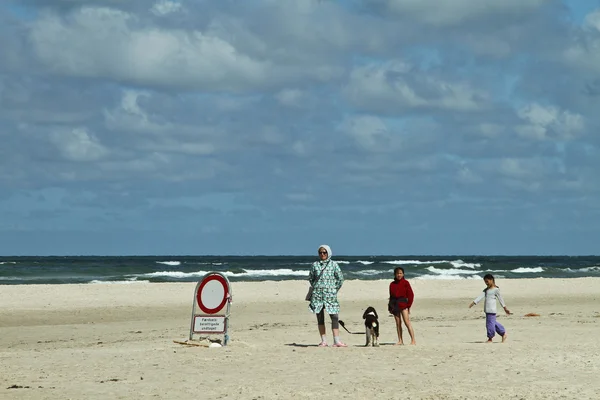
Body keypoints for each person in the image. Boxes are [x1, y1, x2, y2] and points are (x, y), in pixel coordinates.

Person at [307, 244, 346, 347]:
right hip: (317, 296)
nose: (322, 254)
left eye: (324, 252)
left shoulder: (334, 264)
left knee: (334, 317)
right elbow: (311, 278)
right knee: (320, 318)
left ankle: (336, 341)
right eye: (320, 252)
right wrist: (317, 288)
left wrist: (334, 289)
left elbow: (340, 278)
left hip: (330, 296)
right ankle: (323, 341)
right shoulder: (315, 265)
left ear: (328, 253)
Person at [469, 274, 511, 343]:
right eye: (485, 282)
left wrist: (505, 308)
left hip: (492, 310)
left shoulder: (496, 290)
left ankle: (490, 338)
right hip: (487, 310)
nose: (486, 283)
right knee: (493, 323)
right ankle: (503, 333)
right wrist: (474, 302)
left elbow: (501, 299)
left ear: (491, 280)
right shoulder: (486, 290)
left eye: (487, 281)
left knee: (489, 324)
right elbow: (480, 297)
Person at [388, 267, 416, 345]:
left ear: (403, 274)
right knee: (398, 323)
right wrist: (390, 307)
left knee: (407, 322)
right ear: (395, 274)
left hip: (403, 304)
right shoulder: (392, 284)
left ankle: (413, 340)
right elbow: (391, 296)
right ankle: (400, 340)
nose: (399, 275)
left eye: (400, 273)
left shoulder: (406, 283)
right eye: (397, 273)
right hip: (394, 304)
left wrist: (409, 305)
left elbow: (411, 295)